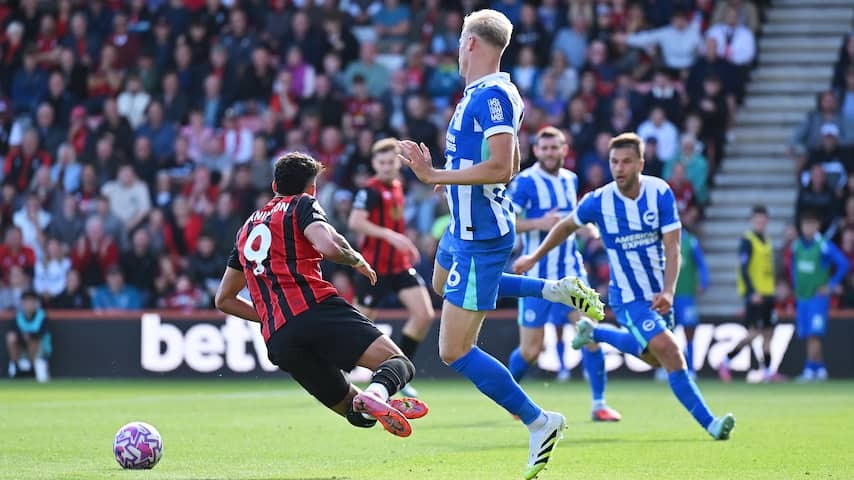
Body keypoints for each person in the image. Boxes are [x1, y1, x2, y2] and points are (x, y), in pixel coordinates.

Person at [398, 10, 603, 479]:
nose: (456, 47)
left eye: (458, 40)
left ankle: (539, 421)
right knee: (439, 280)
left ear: (471, 43)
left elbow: (503, 166)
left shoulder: (493, 95)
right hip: (462, 226)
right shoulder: (476, 93)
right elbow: (479, 163)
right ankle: (550, 289)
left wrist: (437, 175)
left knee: (454, 350)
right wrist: (448, 184)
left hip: (482, 235)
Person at [513, 132, 735, 441]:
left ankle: (596, 338)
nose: (619, 168)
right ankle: (712, 424)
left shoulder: (659, 193)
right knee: (670, 353)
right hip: (627, 296)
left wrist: (669, 289)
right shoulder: (598, 199)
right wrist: (533, 255)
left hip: (652, 291)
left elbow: (674, 248)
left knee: (654, 357)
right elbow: (565, 226)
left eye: (626, 162)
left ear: (641, 163)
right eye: (614, 162)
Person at [215, 152, 428, 438]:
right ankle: (379, 393)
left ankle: (374, 400)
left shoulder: (246, 229)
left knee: (358, 415)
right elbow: (327, 245)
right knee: (398, 364)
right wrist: (355, 261)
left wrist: (268, 316)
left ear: (274, 185)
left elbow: (224, 299)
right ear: (312, 188)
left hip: (279, 339)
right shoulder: (302, 203)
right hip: (316, 309)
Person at [507, 126, 621, 422]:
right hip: (536, 276)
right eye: (544, 148)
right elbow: (507, 223)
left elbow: (572, 221)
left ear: (564, 149)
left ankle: (599, 404)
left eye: (554, 147)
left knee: (589, 335)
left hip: (570, 274)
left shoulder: (570, 180)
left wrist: (589, 229)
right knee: (530, 350)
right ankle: (509, 397)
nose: (549, 153)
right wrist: (539, 223)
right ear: (536, 151)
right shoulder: (526, 182)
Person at [348, 138, 435, 398]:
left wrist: (404, 242)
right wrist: (391, 236)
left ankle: (399, 373)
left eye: (391, 162)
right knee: (358, 325)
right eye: (381, 162)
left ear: (398, 163)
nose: (386, 167)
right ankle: (338, 369)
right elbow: (355, 221)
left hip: (398, 265)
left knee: (424, 315)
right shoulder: (370, 190)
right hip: (373, 268)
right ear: (374, 164)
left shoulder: (398, 186)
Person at [718, 205, 780, 383]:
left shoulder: (767, 240)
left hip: (768, 293)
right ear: (752, 221)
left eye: (763, 219)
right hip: (756, 295)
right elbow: (743, 268)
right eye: (757, 219)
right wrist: (752, 292)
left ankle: (768, 372)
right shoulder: (748, 241)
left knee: (769, 333)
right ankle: (726, 360)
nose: (760, 222)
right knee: (754, 332)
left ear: (767, 221)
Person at [790, 211, 849, 382]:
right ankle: (820, 369)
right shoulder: (797, 246)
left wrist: (830, 285)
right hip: (802, 297)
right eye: (805, 225)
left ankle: (809, 370)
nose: (808, 228)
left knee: (813, 335)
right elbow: (793, 268)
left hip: (818, 297)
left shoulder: (823, 245)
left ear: (817, 226)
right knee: (808, 333)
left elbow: (844, 264)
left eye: (811, 224)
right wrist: (796, 286)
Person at [657, 208, 709, 380]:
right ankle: (667, 368)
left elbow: (701, 264)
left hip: (686, 294)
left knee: (689, 331)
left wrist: (704, 281)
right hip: (666, 295)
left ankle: (691, 368)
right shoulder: (660, 242)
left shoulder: (690, 242)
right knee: (666, 333)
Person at [6, 290, 50, 382]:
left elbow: (41, 333)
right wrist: (23, 337)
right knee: (11, 338)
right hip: (22, 346)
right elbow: (13, 332)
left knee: (33, 341)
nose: (29, 304)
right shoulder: (18, 316)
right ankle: (15, 366)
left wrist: (29, 336)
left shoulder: (42, 316)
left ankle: (32, 366)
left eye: (31, 302)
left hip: (40, 349)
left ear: (36, 303)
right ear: (22, 303)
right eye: (26, 302)